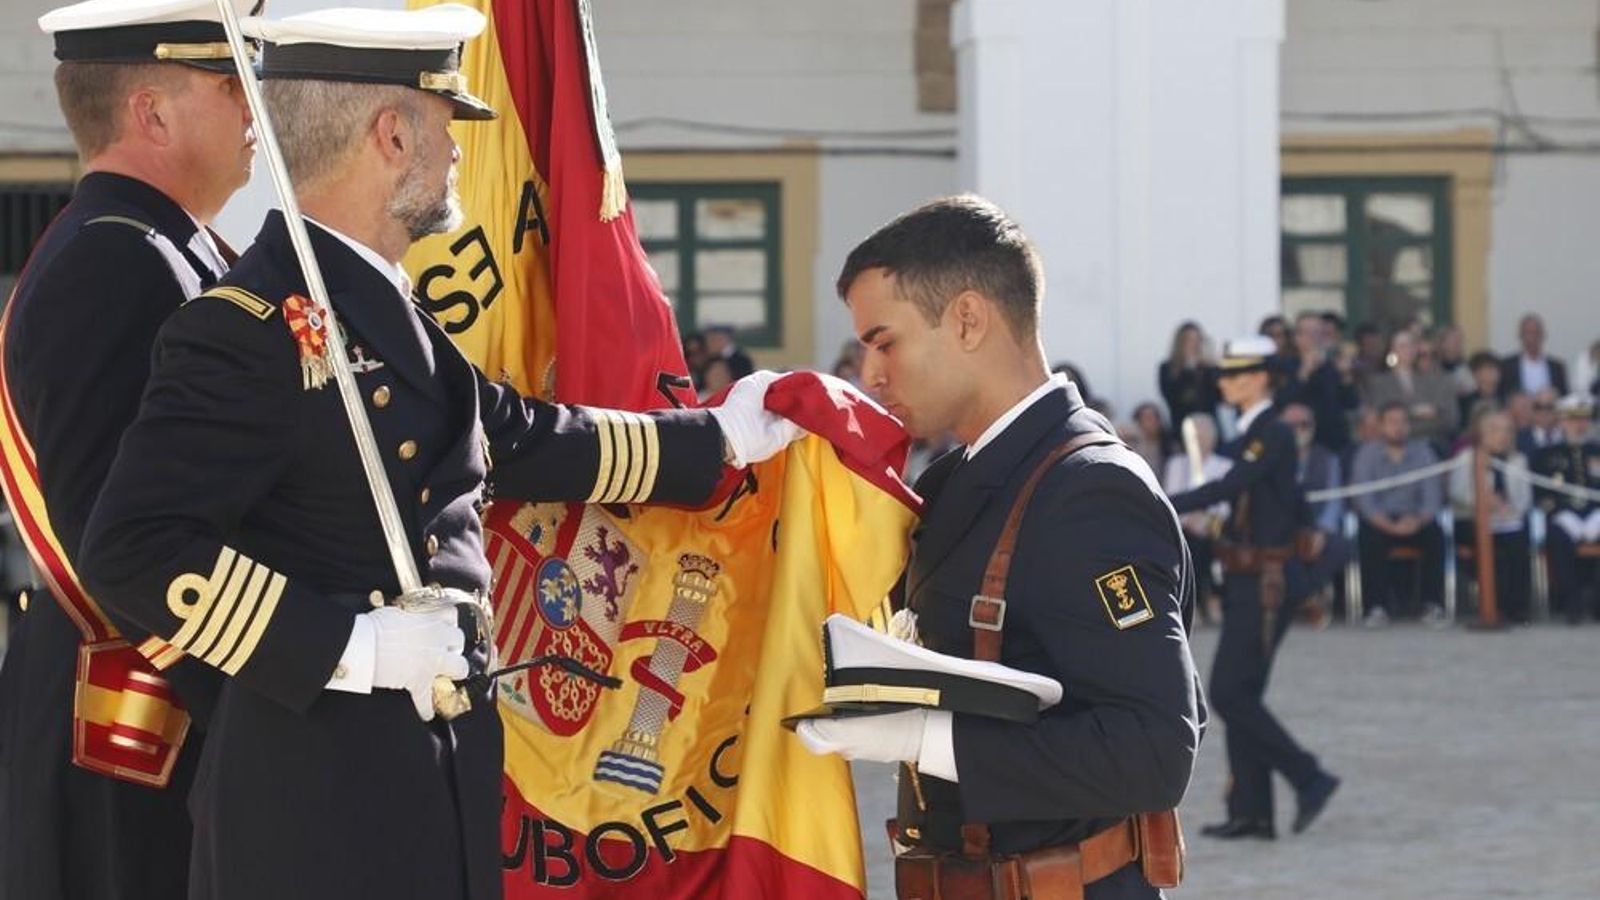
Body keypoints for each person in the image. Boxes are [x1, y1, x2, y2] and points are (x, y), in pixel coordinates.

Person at [73, 8, 802, 899]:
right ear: (391, 136)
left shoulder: (384, 304)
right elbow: (133, 547)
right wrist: (352, 646)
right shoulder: (247, 327)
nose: (459, 152)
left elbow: (515, 436)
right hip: (316, 803)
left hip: (432, 775)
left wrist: (721, 437)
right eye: (449, 124)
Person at [797, 195, 1204, 899]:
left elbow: (1153, 751)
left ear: (967, 319)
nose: (871, 375)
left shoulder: (1088, 492)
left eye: (884, 341)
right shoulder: (958, 477)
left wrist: (927, 740)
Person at [0, 2, 258, 897]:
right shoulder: (119, 261)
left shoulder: (161, 248)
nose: (255, 110)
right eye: (231, 86)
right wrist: (278, 684)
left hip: (139, 706)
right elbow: (113, 539)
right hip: (123, 719)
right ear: (150, 113)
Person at [1168, 335, 1340, 841]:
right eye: (1225, 373)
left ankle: (1309, 775)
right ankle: (1252, 812)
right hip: (1249, 574)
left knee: (1229, 692)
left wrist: (1157, 496)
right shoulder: (1251, 433)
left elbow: (1232, 487)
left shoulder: (1271, 432)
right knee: (1241, 692)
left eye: (1238, 373)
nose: (1226, 381)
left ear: (1263, 377)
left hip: (1265, 581)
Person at [1349, 402, 1447, 626]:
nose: (1398, 427)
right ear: (1381, 426)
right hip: (1380, 520)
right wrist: (1386, 523)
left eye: (1403, 422)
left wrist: (1417, 519)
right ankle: (1376, 607)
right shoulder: (1367, 453)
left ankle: (1432, 604)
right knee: (1369, 536)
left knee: (1435, 535)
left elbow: (1432, 495)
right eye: (1392, 422)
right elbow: (1364, 498)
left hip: (1415, 518)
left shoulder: (1424, 452)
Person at [1450, 409, 1534, 624]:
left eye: (1506, 430)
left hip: (1507, 519)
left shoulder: (1518, 460)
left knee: (1518, 539)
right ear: (1481, 433)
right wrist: (1484, 502)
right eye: (1495, 430)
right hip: (1471, 519)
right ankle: (1493, 606)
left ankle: (1517, 608)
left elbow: (1524, 499)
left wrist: (1508, 507)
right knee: (1489, 543)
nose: (1502, 435)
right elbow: (1458, 492)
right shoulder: (1465, 458)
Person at [1531, 395, 1600, 623]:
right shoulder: (1546, 454)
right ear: (1561, 421)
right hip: (1563, 514)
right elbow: (1541, 492)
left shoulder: (1595, 451)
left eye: (1584, 420)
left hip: (1596, 513)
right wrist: (1560, 513)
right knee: (1558, 537)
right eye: (1572, 420)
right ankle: (1572, 604)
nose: (1579, 425)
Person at [1162, 413, 1232, 623]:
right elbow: (1169, 498)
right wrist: (1188, 521)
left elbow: (1225, 504)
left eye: (1202, 435)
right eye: (1193, 436)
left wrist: (1205, 521)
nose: (1198, 441)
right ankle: (1198, 602)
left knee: (1206, 542)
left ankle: (1209, 600)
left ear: (1213, 438)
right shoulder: (1176, 463)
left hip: (1215, 525)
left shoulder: (1225, 465)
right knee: (1190, 543)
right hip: (1182, 526)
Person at [1281, 403, 1348, 607]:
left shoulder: (1328, 459)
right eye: (1292, 425)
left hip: (1317, 527)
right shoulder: (1273, 459)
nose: (1299, 430)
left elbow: (1334, 501)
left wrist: (1321, 531)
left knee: (1338, 546)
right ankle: (1304, 599)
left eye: (1304, 424)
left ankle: (1302, 597)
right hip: (1282, 527)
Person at [1362, 328, 1460, 451]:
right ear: (1393, 350)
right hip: (1394, 449)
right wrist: (1415, 413)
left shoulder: (1429, 379)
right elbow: (1380, 419)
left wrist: (1404, 422)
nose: (1407, 350)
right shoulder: (1379, 383)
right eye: (1402, 346)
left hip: (1429, 446)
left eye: (1410, 345)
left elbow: (1444, 419)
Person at [1278, 311, 1358, 452]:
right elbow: (1283, 402)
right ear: (1297, 338)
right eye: (1309, 333)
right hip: (1301, 444)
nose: (1314, 338)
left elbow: (1351, 404)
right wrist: (1304, 372)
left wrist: (1346, 376)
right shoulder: (1286, 366)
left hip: (1334, 443)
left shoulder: (1332, 366)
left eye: (1319, 333)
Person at [1157, 320, 1220, 429]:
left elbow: (1219, 397)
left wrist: (1211, 367)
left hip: (1209, 426)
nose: (1193, 344)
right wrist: (1188, 369)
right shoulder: (1167, 368)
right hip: (1181, 425)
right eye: (1189, 340)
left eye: (1197, 340)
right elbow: (1172, 397)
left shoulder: (1208, 368)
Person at [1500, 313, 1568, 399]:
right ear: (1520, 336)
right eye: (1527, 333)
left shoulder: (1556, 367)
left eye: (1536, 333)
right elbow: (1503, 396)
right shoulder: (1507, 366)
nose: (1531, 338)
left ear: (1543, 335)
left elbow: (1565, 397)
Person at [1460, 350, 1502, 431]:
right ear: (1475, 373)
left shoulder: (1505, 398)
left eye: (1496, 368)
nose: (1494, 372)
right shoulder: (1466, 402)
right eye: (1489, 368)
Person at [1516, 388, 1561, 458]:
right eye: (1538, 407)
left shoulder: (1568, 436)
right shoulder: (1519, 440)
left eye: (1549, 407)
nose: (1544, 412)